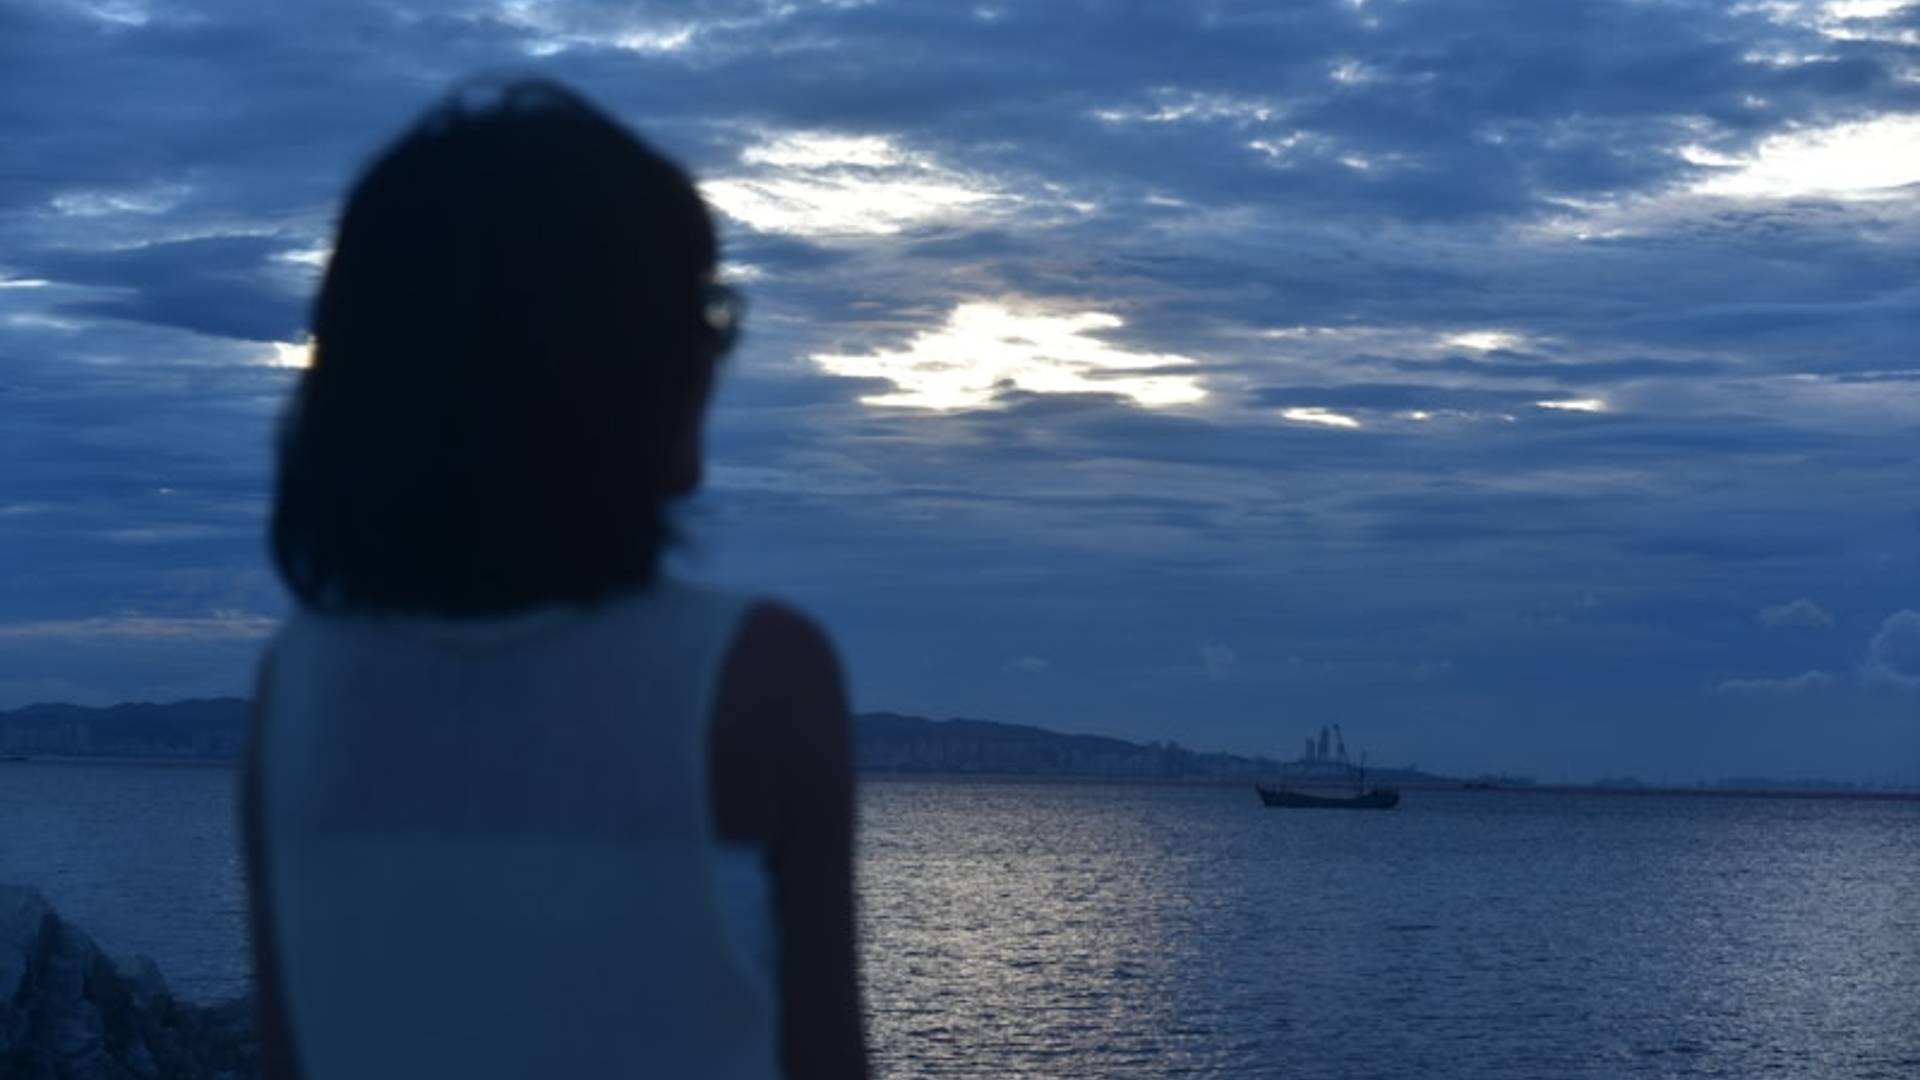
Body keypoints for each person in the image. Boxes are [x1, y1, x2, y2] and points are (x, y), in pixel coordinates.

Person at [242, 78, 866, 1080]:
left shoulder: (295, 693)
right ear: (629, 365)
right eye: (704, 310)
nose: (718, 347)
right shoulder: (757, 681)